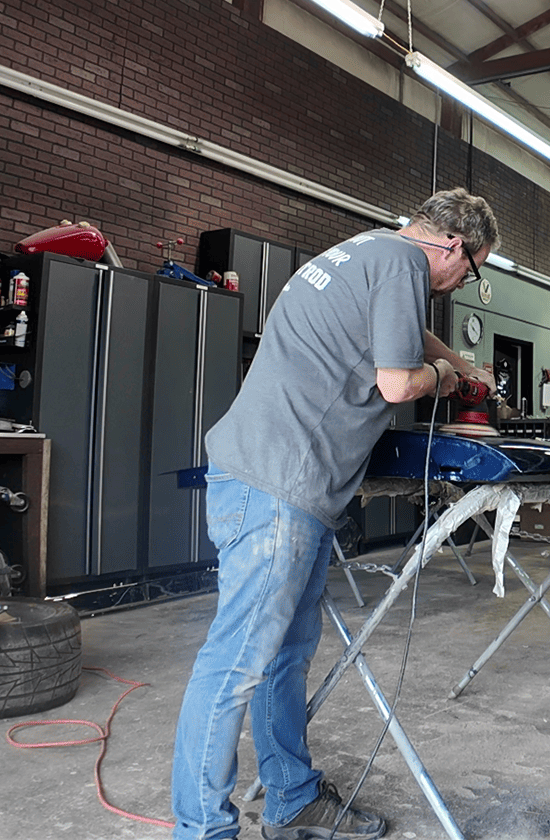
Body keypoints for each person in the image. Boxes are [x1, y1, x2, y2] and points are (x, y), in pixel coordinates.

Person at [173, 188, 499, 840]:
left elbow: (408, 332)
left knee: (284, 654)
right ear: (455, 246)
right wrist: (440, 374)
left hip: (281, 481)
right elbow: (397, 384)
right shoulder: (404, 266)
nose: (465, 281)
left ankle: (292, 800)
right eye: (473, 269)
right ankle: (201, 830)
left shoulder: (371, 252)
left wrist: (464, 365)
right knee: (235, 662)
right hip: (278, 486)